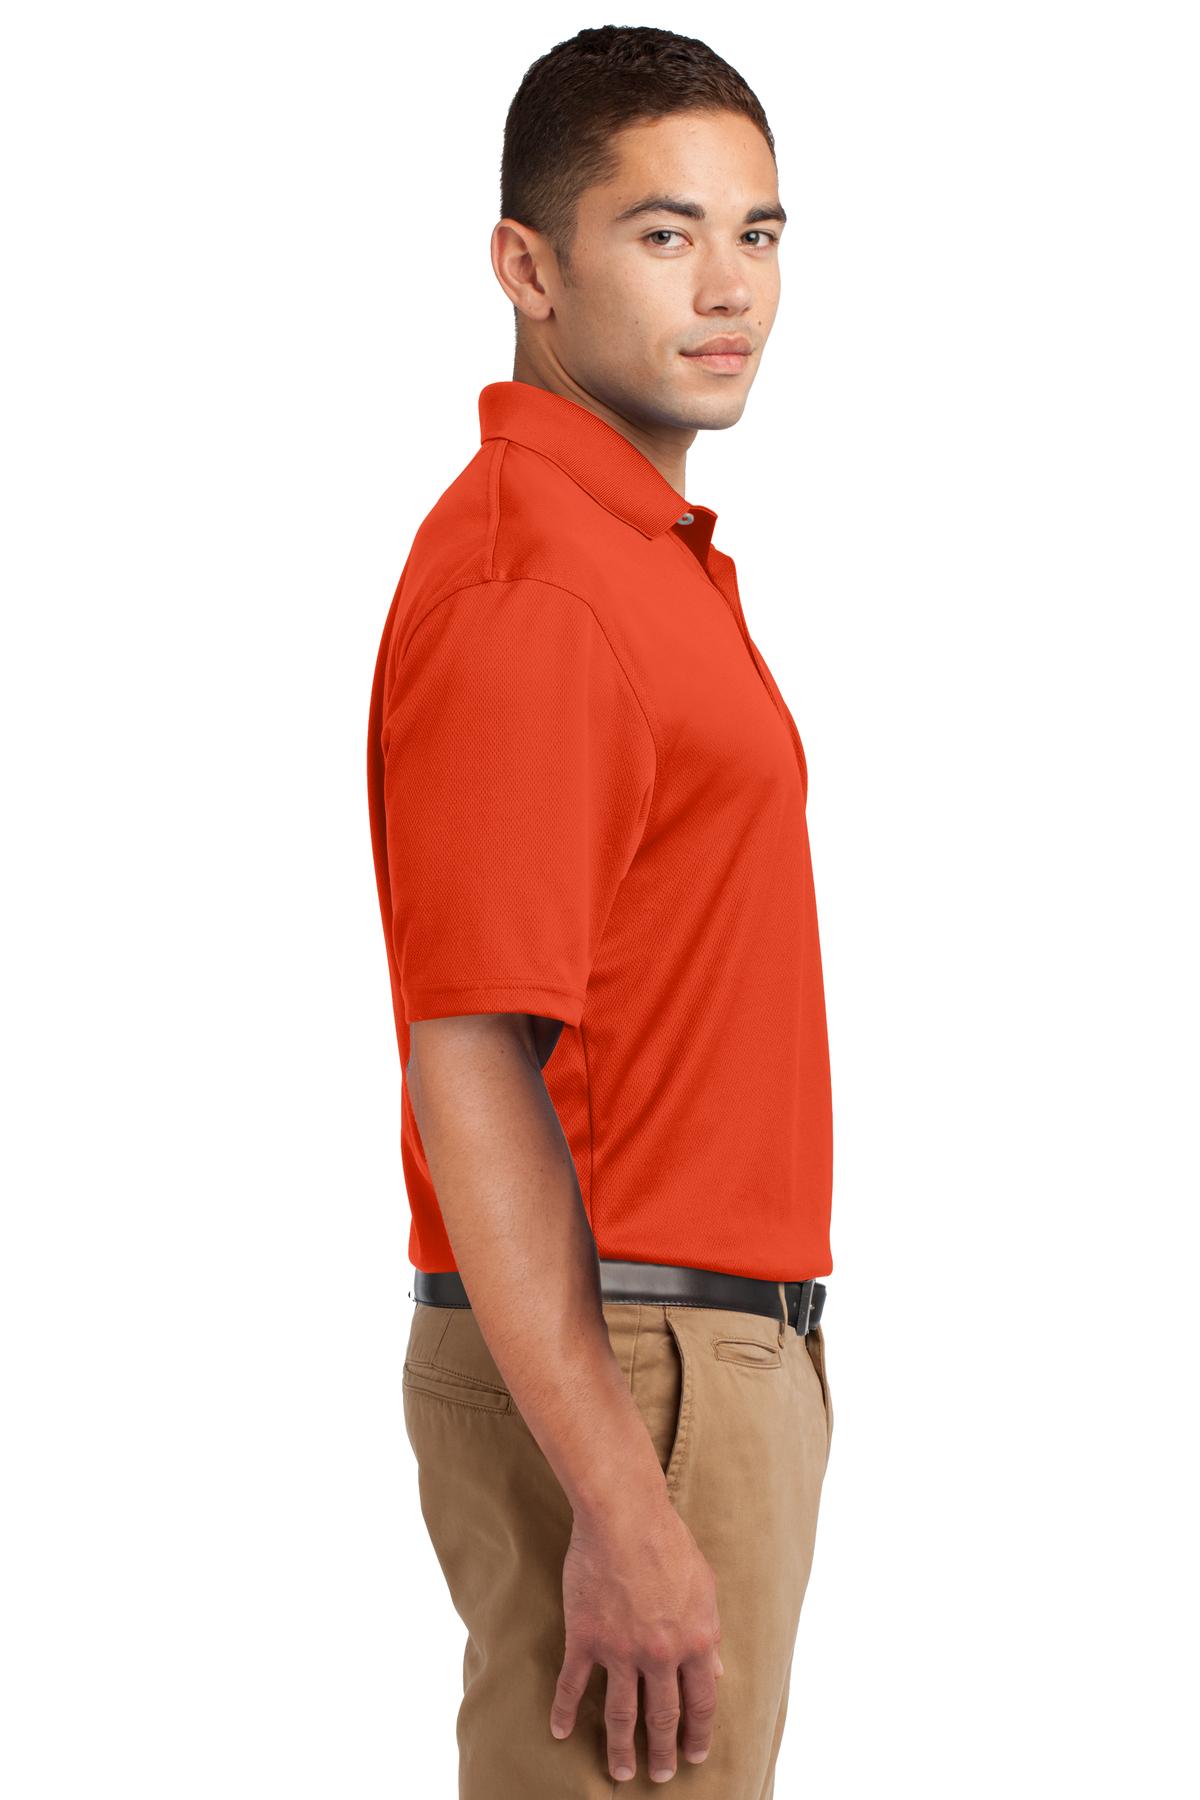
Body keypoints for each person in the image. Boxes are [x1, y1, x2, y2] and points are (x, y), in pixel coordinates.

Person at [365, 25, 835, 1796]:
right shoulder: (540, 586)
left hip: (683, 1356)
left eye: (759, 233)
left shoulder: (628, 557)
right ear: (528, 266)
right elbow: (470, 1049)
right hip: (629, 1366)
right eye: (664, 233)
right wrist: (625, 1503)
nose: (729, 288)